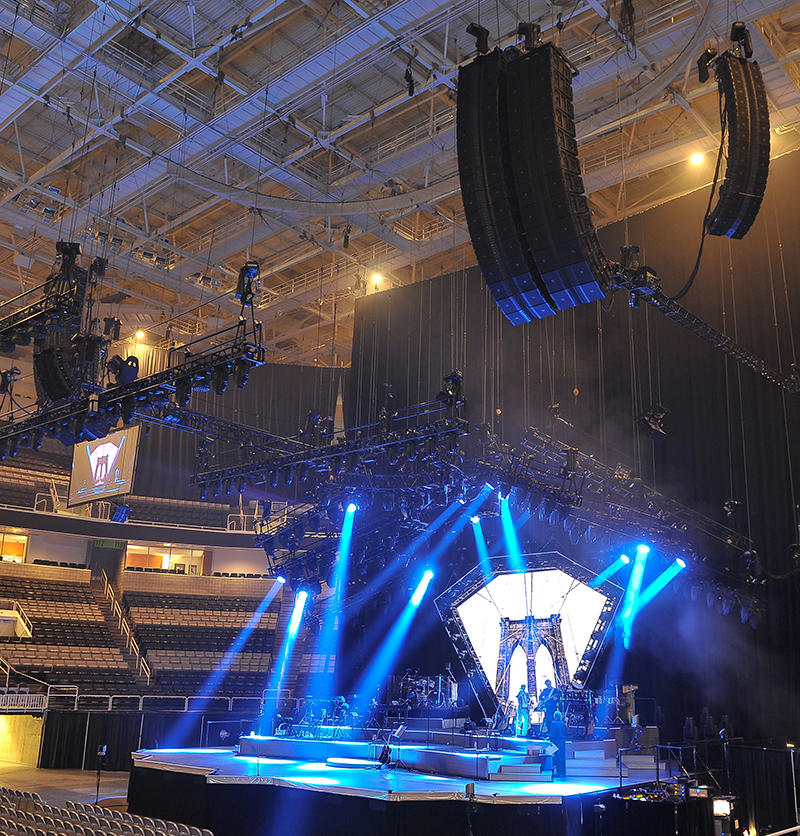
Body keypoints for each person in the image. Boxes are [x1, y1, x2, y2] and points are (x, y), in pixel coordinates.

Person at [549, 710, 568, 780]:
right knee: (563, 758)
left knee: (558, 758)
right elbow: (566, 732)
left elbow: (553, 733)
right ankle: (564, 773)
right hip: (562, 742)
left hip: (556, 742)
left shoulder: (554, 723)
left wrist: (551, 741)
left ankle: (559, 773)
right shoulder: (563, 724)